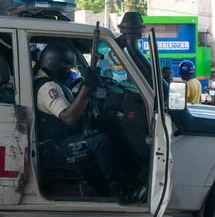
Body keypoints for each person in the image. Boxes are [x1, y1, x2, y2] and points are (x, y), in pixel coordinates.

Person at [34, 42, 146, 205]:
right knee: (100, 142)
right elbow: (70, 117)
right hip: (53, 148)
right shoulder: (48, 87)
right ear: (56, 68)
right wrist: (87, 86)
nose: (69, 74)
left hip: (56, 142)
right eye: (67, 70)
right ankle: (120, 191)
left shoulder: (48, 81)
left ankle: (109, 185)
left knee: (102, 132)